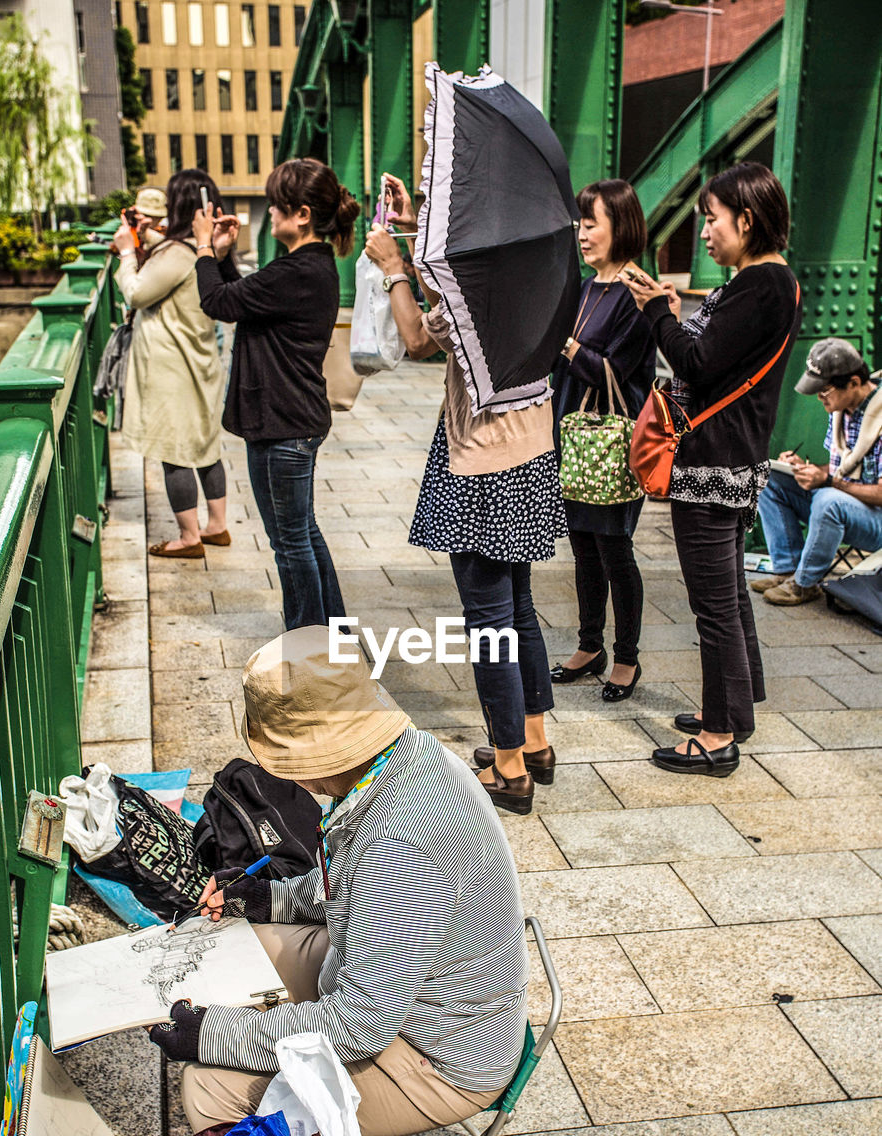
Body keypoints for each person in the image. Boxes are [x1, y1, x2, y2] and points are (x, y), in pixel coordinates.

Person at [149, 626, 529, 1136]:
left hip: (440, 1054)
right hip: (408, 994)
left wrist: (216, 1034)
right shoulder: (406, 756)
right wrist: (267, 897)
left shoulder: (401, 838)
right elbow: (350, 885)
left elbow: (358, 1029)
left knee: (208, 1085)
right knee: (234, 948)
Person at [364, 175, 564, 816]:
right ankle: (533, 740)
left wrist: (396, 266)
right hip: (531, 455)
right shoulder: (539, 266)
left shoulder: (474, 286)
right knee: (519, 607)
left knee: (489, 626)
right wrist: (415, 241)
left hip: (479, 465)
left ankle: (509, 770)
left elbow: (421, 339)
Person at [621, 161, 801, 776]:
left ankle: (718, 736)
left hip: (713, 463)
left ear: (746, 220)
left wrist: (655, 314)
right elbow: (715, 350)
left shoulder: (762, 285)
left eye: (712, 218)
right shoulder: (767, 282)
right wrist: (671, 306)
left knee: (713, 604)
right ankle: (735, 708)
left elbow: (694, 361)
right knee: (728, 596)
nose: (704, 232)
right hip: (731, 460)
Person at [192, 158, 359, 629]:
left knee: (290, 543)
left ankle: (308, 649)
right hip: (286, 420)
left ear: (301, 213)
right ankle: (333, 639)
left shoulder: (297, 270)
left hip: (284, 424)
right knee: (302, 533)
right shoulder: (306, 266)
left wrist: (205, 247)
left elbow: (218, 302)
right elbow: (240, 297)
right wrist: (222, 256)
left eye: (275, 205)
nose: (269, 214)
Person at [550, 180, 656, 701]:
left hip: (614, 443)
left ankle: (628, 658)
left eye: (591, 223)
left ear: (621, 224)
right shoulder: (587, 285)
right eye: (580, 224)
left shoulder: (639, 293)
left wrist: (565, 345)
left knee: (615, 550)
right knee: (584, 548)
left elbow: (614, 371)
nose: (582, 234)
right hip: (573, 437)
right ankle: (590, 644)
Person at [113, 169, 228, 559]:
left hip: (171, 369)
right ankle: (217, 526)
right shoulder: (201, 250)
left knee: (174, 450)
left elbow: (138, 293)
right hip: (199, 359)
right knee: (205, 446)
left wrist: (128, 254)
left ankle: (188, 536)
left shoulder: (177, 253)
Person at [754, 339, 882, 604]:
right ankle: (787, 570)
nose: (819, 397)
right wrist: (803, 468)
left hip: (876, 520)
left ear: (855, 382)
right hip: (850, 502)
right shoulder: (840, 408)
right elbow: (842, 469)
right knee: (770, 477)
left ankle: (805, 584)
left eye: (824, 391)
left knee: (828, 500)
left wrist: (826, 480)